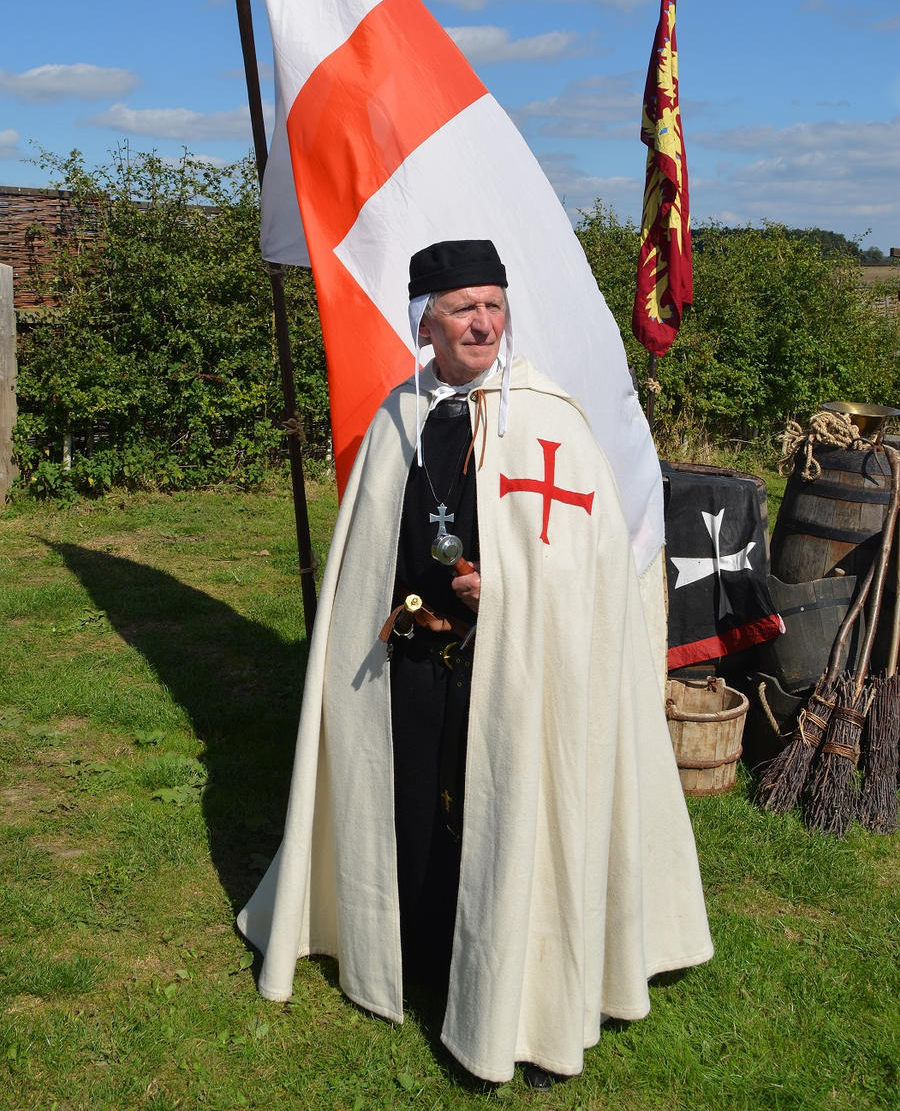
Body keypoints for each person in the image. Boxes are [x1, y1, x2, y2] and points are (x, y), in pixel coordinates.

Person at [238, 239, 712, 1087]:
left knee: (515, 818)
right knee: (412, 807)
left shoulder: (547, 416)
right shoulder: (401, 414)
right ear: (426, 323)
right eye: (463, 309)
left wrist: (515, 592)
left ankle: (524, 996)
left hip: (519, 668)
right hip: (415, 660)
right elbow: (371, 541)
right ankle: (418, 951)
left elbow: (592, 561)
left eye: (493, 305)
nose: (483, 323)